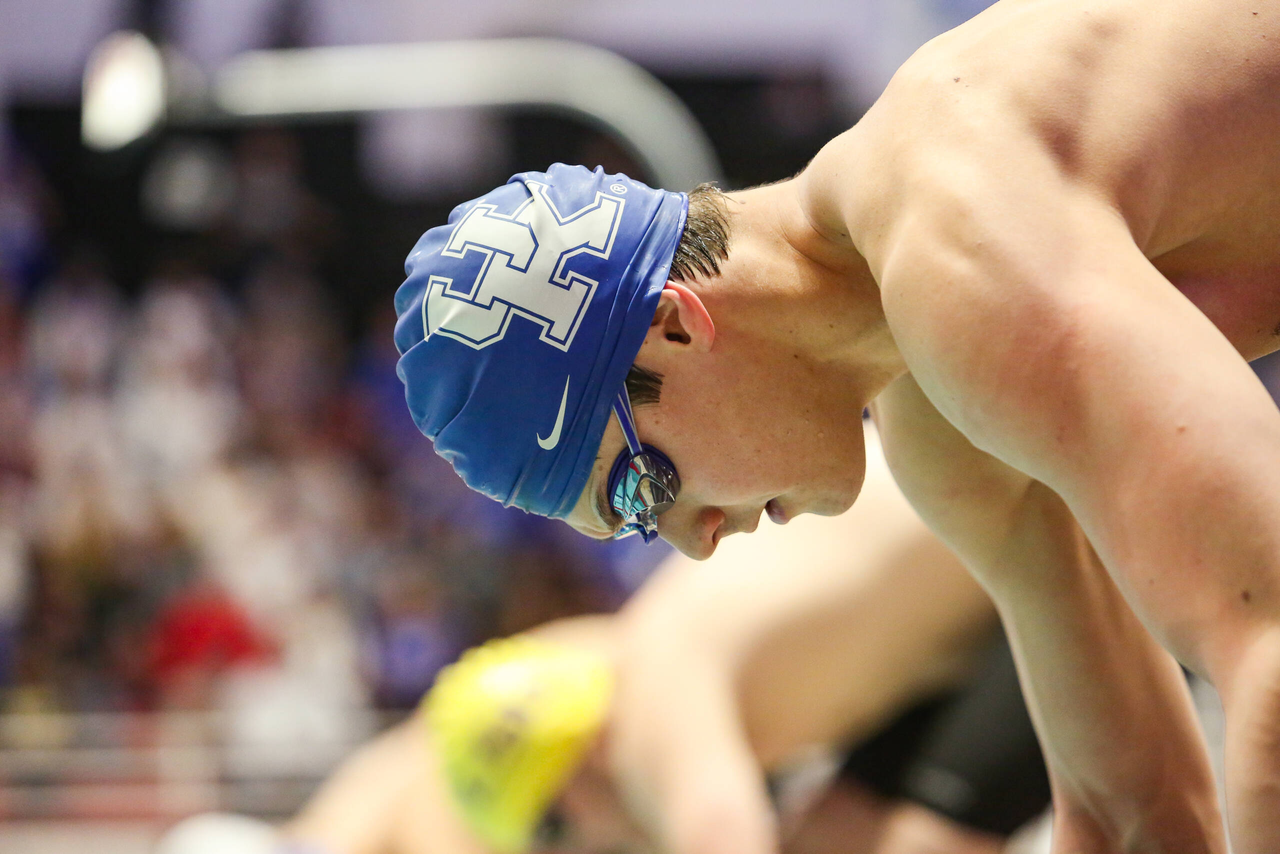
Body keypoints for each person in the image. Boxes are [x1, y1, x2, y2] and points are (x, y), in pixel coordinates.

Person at [394, 2, 1280, 850]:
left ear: (675, 324)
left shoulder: (954, 232)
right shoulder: (935, 426)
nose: (694, 546)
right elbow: (1128, 810)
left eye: (641, 485)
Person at [155, 436, 1051, 854]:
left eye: (554, 831)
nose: (578, 848)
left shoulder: (663, 701)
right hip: (980, 561)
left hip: (1042, 537)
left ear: (585, 761)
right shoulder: (626, 654)